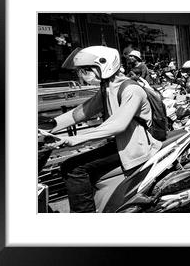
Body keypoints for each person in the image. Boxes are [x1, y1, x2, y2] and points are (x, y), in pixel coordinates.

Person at [44, 46, 162, 212]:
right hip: (118, 143)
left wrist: (75, 139)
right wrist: (49, 125)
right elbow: (81, 112)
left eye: (86, 70)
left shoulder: (131, 89)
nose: (83, 74)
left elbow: (117, 125)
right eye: (81, 70)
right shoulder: (107, 87)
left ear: (104, 65)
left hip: (134, 147)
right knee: (73, 165)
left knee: (73, 169)